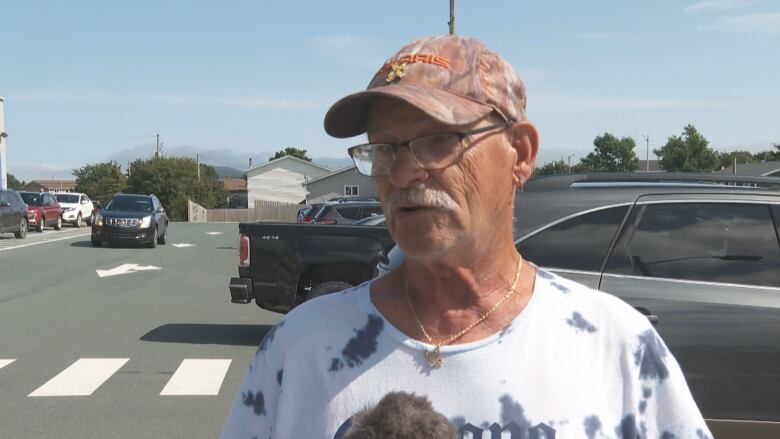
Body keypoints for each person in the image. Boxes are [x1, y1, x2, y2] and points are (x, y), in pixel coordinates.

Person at [221, 35, 712, 439]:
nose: (405, 172)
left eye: (438, 140)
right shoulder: (300, 348)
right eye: (384, 150)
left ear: (520, 154)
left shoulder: (615, 346)